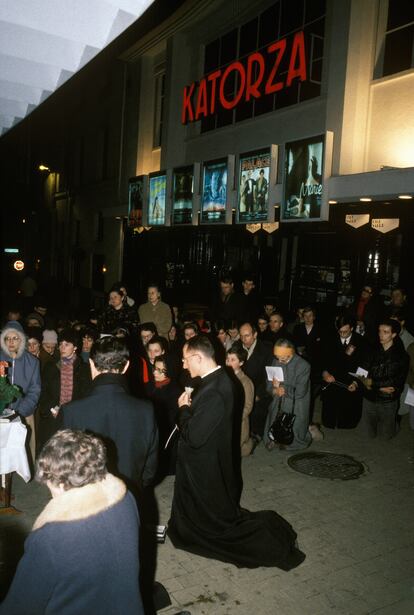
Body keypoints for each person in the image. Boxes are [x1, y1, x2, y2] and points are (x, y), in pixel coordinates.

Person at [168, 335, 305, 569]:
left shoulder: (214, 389)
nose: (182, 364)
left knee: (214, 523)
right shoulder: (223, 378)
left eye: (184, 359)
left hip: (205, 468)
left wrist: (183, 410)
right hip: (213, 460)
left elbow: (194, 436)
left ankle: (268, 542)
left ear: (198, 358)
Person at [0, 429, 144, 615]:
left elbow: (20, 607)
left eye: (48, 484)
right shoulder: (126, 498)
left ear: (60, 484)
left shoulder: (51, 537)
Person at [63, 336, 158, 493]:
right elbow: (150, 467)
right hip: (129, 493)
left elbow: (65, 465)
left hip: (87, 498)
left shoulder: (71, 410)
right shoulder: (145, 409)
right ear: (126, 366)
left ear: (92, 364)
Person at [37, 329, 91, 453]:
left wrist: (70, 411)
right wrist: (51, 408)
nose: (62, 347)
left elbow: (86, 395)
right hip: (53, 418)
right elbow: (43, 392)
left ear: (75, 347)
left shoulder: (83, 369)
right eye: (60, 344)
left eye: (67, 344)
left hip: (75, 419)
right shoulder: (51, 367)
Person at [0, 320, 41, 465]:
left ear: (21, 339)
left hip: (24, 412)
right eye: (7, 338)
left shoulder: (33, 362)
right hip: (0, 412)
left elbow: (35, 390)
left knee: (23, 453)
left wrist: (21, 411)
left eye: (15, 338)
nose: (11, 342)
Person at [361, 319, 408, 439]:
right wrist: (369, 383)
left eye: (385, 332)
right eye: (380, 331)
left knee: (386, 436)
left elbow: (394, 382)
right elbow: (362, 371)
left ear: (393, 335)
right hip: (369, 396)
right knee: (367, 434)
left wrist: (371, 382)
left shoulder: (401, 356)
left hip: (387, 400)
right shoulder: (371, 349)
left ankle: (394, 423)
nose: (381, 335)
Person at [263, 339, 312, 451]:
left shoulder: (303, 366)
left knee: (293, 424)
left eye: (283, 357)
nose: (279, 360)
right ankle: (273, 439)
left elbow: (300, 392)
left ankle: (293, 442)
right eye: (277, 356)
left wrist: (282, 388)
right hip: (279, 399)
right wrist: (274, 390)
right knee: (274, 416)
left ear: (292, 353)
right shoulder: (276, 361)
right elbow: (269, 383)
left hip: (296, 402)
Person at [321, 315, 367, 429]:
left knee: (348, 414)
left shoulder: (361, 342)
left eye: (345, 332)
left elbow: (365, 365)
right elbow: (321, 359)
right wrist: (325, 373)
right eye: (340, 331)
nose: (342, 334)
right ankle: (330, 422)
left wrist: (356, 382)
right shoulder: (329, 338)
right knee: (329, 413)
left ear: (352, 328)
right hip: (332, 379)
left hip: (350, 380)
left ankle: (346, 423)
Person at [226, 343, 254, 456]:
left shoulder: (245, 382)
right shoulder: (224, 377)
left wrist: (232, 417)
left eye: (233, 360)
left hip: (237, 422)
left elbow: (247, 407)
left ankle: (248, 444)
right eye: (227, 359)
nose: (228, 363)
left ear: (241, 363)